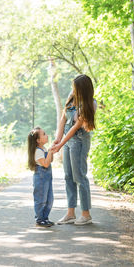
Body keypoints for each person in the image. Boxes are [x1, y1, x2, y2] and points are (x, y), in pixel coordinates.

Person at [52, 74, 96, 225]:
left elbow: (76, 128)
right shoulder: (72, 98)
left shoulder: (90, 104)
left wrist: (60, 144)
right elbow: (63, 119)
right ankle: (70, 213)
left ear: (82, 89)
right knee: (68, 177)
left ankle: (86, 214)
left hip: (79, 141)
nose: (73, 90)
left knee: (80, 177)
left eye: (76, 87)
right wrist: (58, 139)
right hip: (68, 140)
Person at [28, 127, 55, 227]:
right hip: (40, 178)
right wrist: (50, 153)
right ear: (38, 140)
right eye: (44, 134)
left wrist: (51, 151)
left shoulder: (43, 149)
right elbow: (46, 164)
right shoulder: (38, 151)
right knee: (41, 200)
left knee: (49, 199)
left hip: (47, 178)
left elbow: (50, 160)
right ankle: (39, 219)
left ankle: (45, 218)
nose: (46, 135)